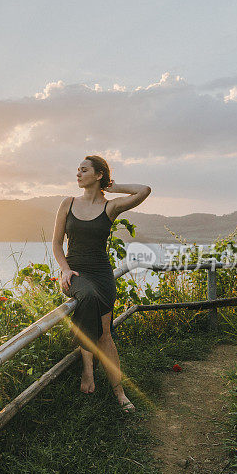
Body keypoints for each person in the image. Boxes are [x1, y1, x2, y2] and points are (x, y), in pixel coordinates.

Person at [51, 155, 151, 412]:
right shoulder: (68, 203)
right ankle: (88, 370)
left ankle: (120, 393)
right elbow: (56, 244)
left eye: (83, 170)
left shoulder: (110, 207)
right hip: (76, 275)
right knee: (88, 297)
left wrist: (112, 186)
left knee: (106, 334)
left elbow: (144, 190)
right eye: (77, 170)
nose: (78, 174)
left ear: (97, 175)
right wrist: (64, 270)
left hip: (102, 275)